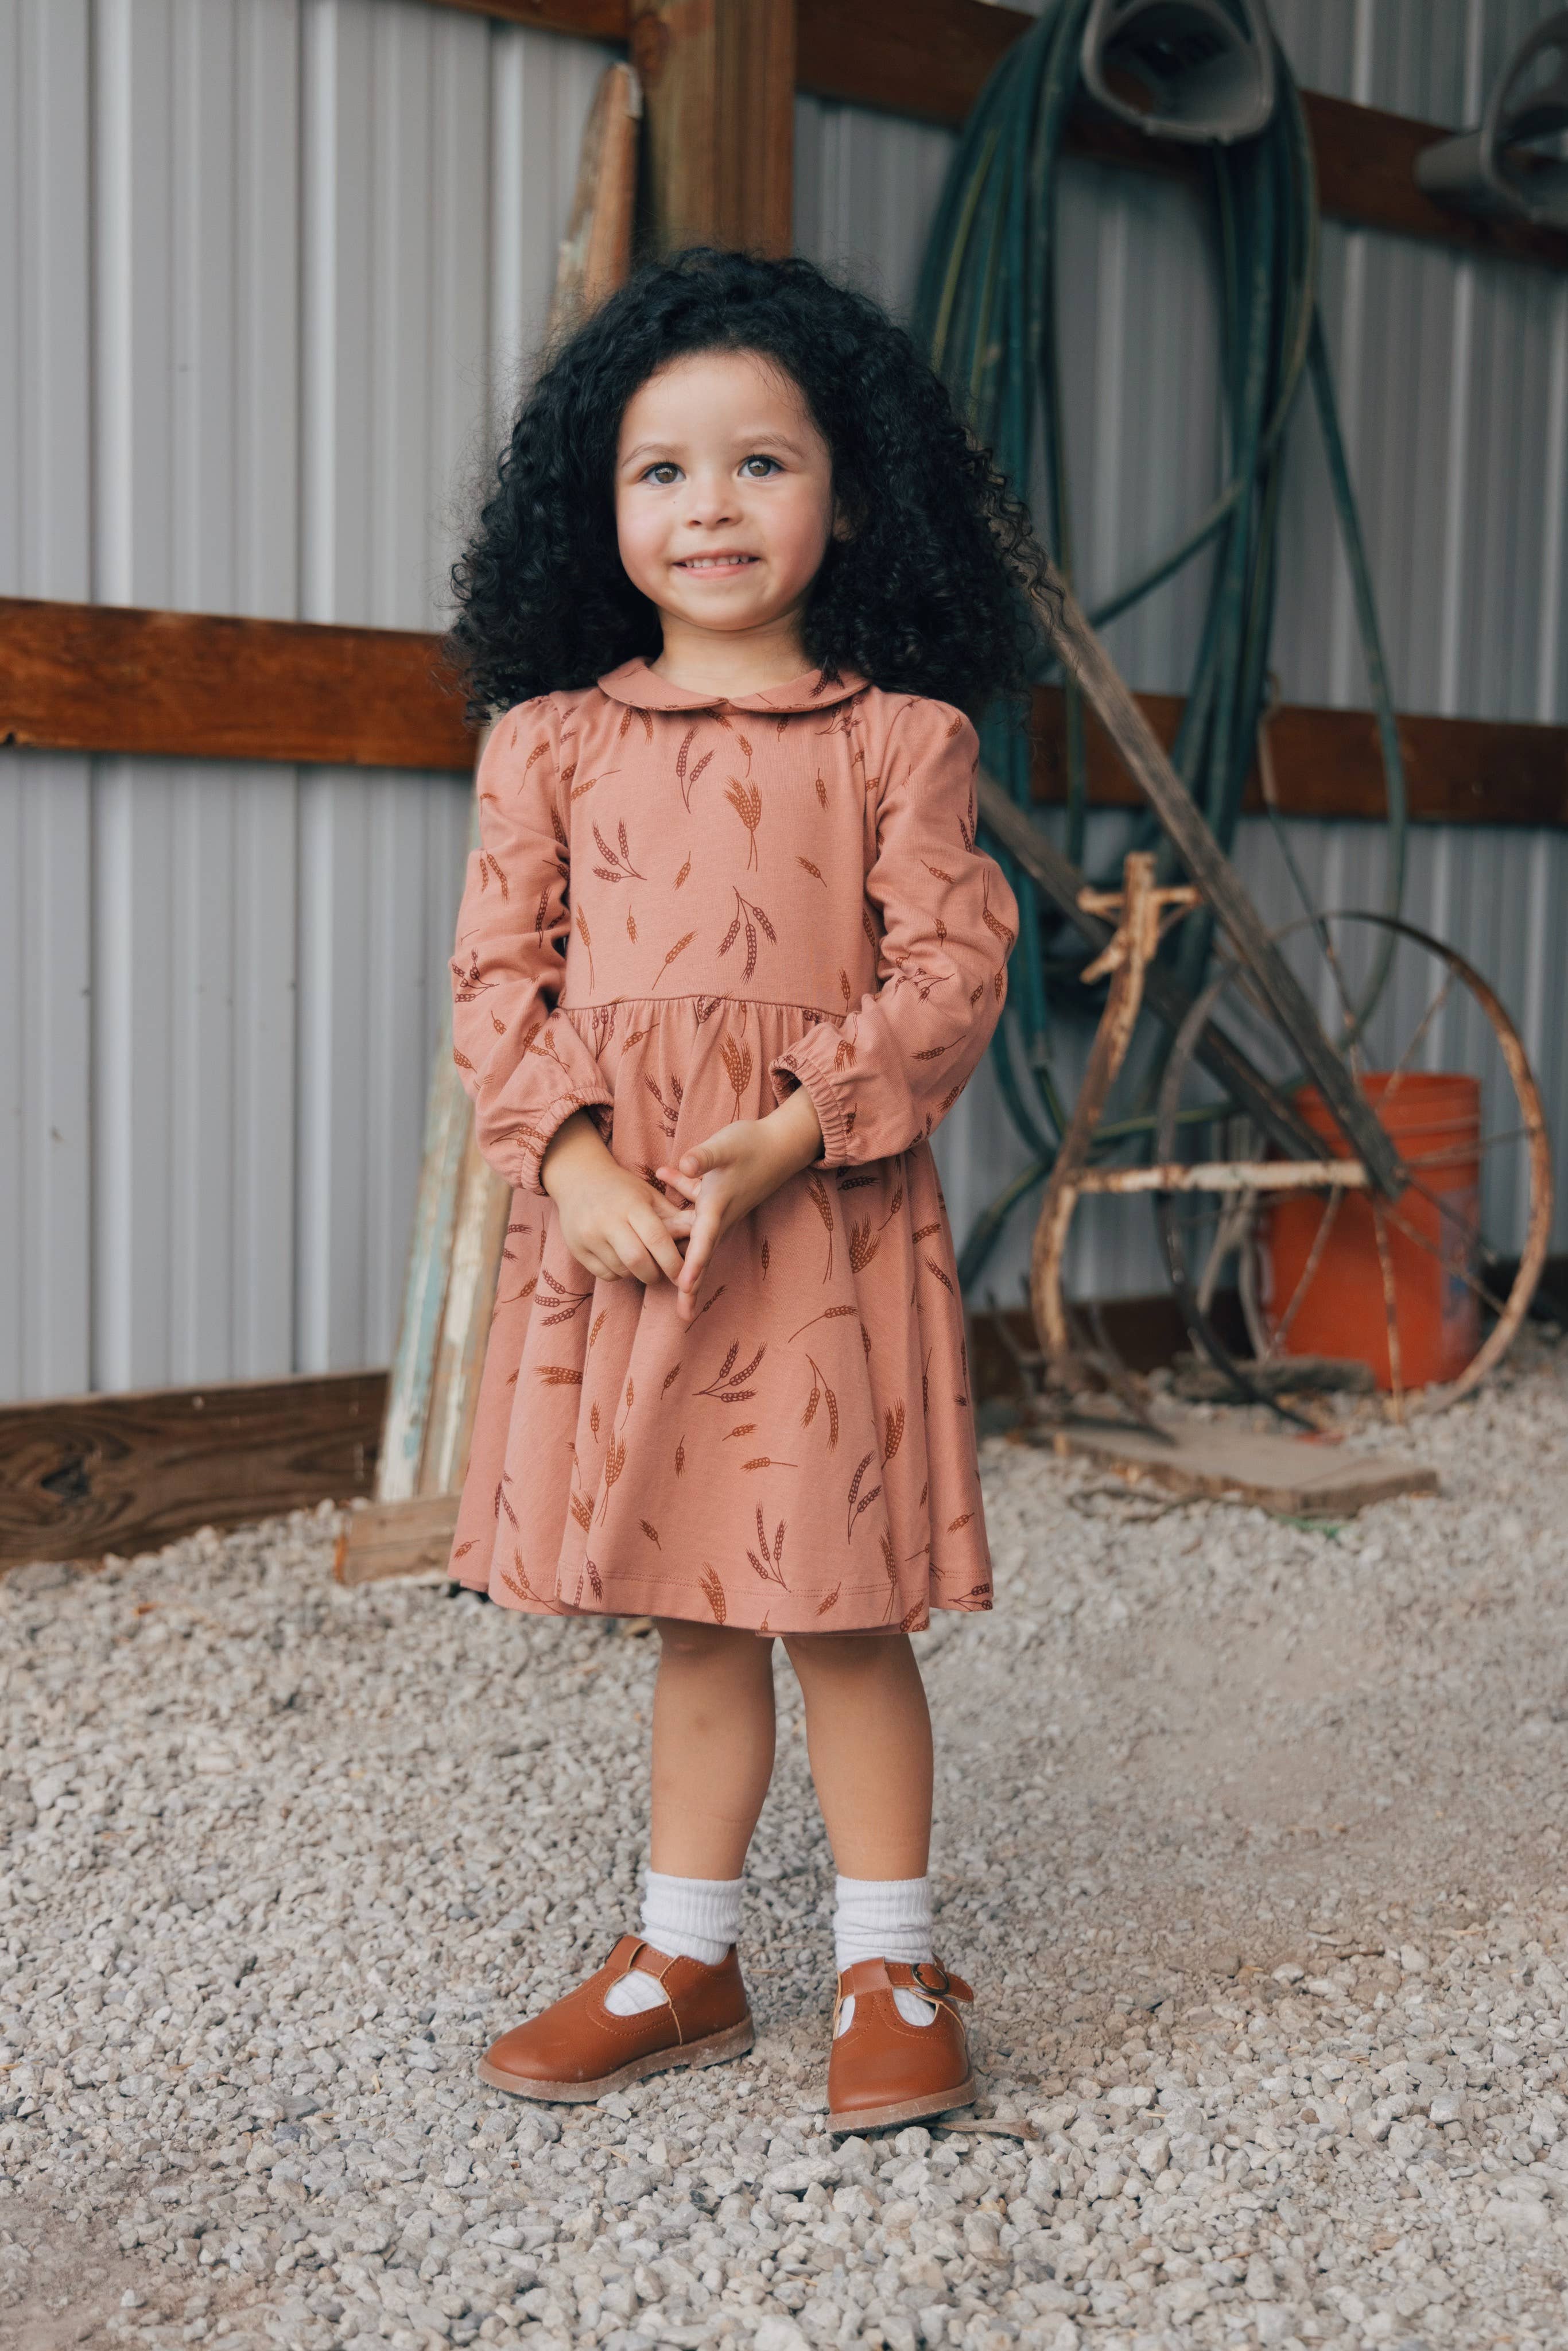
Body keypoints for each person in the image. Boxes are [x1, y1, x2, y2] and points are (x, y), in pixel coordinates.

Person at [443, 248, 1046, 2133]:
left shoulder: (899, 741)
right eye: (662, 470)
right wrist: (569, 1161)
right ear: (598, 506)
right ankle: (682, 1960)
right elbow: (493, 983)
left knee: (839, 1604)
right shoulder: (546, 744)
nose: (709, 506)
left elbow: (951, 969)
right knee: (696, 1605)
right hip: (630, 1226)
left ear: (850, 496)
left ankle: (889, 1961)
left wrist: (797, 1124)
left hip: (817, 1218)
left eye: (759, 463)